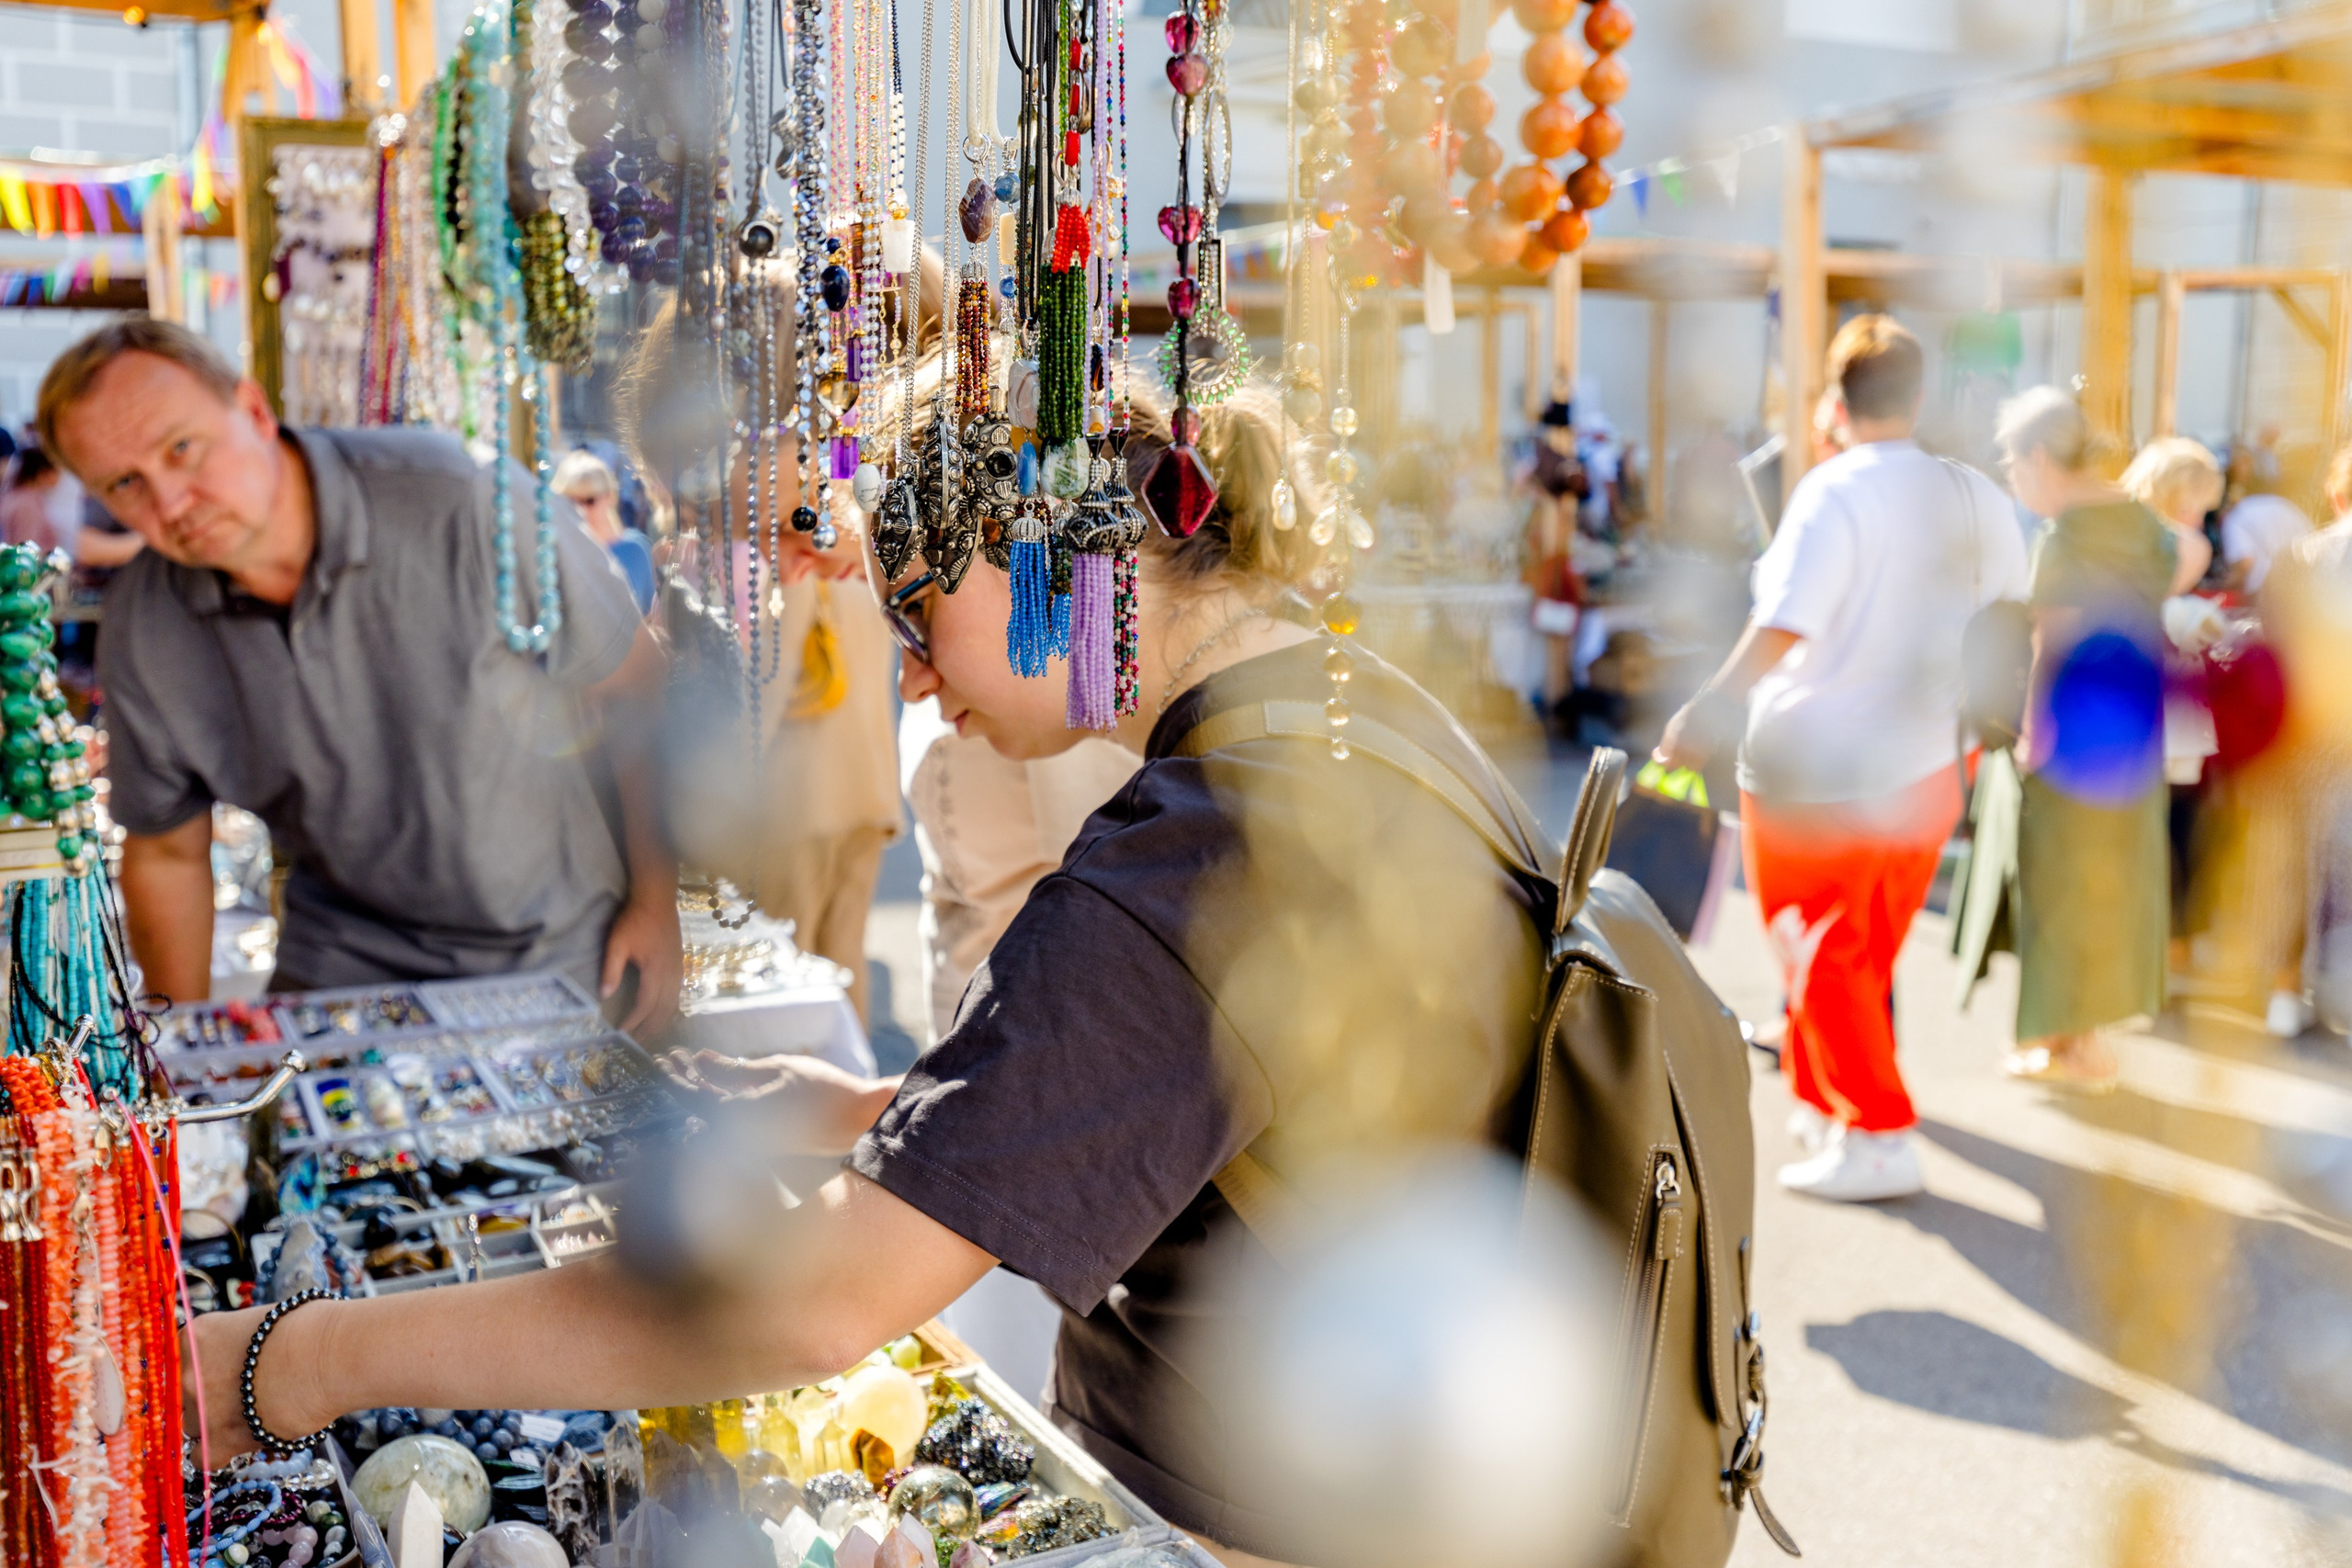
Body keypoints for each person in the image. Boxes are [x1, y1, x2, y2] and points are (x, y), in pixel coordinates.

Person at [189, 376, 1552, 1567]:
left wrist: (296, 1361)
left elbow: (806, 1300)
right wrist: (878, 1103)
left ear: (1039, 551)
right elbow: (1242, 1087)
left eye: (913, 612)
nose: (907, 681)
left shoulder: (1203, 845)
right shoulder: (1359, 715)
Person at [40, 318, 684, 1028]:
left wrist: (657, 904)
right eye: (125, 483)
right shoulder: (148, 621)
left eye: (182, 448)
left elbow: (637, 691)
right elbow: (166, 849)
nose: (169, 504)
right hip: (342, 969)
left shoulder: (462, 497)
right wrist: (185, 1053)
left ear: (254, 411)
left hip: (563, 950)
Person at [1656, 314, 2028, 1202]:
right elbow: (2016, 612)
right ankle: (1835, 1106)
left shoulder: (1834, 490)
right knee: (1860, 952)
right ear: (1919, 394)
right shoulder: (1973, 492)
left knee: (1817, 950)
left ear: (1833, 398)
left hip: (1815, 766)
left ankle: (1876, 1129)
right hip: (1935, 760)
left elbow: (1786, 621)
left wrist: (1705, 710)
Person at [1994, 388, 2175, 1087]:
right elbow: (2181, 557)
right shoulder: (2141, 520)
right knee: (2112, 883)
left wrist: (2033, 730)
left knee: (2058, 886)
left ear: (2041, 456)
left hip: (2073, 740)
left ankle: (2069, 1046)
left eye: (2013, 461)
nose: (2014, 475)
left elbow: (2054, 642)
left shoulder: (2065, 536)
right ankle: (2082, 1039)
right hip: (2136, 730)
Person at [553, 447, 658, 614]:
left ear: (609, 496)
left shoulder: (635, 549)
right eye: (571, 502)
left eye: (589, 500)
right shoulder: (558, 553)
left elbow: (651, 617)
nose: (580, 510)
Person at [2220, 471, 2312, 597]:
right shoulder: (2288, 507)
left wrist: (2226, 583)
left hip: (2263, 592)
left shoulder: (2236, 515)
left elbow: (2246, 562)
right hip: (2300, 589)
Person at [0, 445, 63, 552]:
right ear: (43, 472)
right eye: (56, 470)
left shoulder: (20, 495)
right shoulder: (26, 504)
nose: (60, 476)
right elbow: (24, 550)